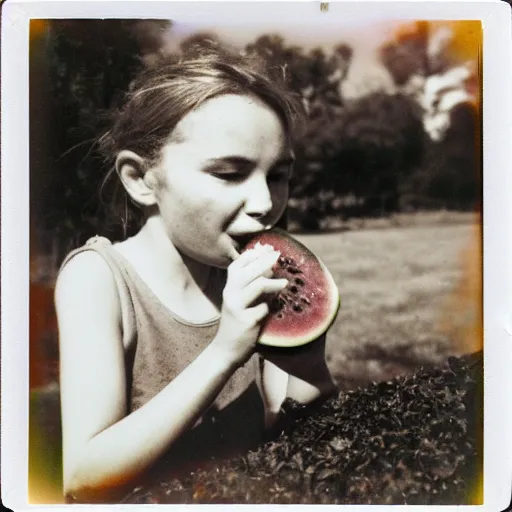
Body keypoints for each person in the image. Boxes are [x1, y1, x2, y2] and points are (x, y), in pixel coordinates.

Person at [55, 48, 337, 504]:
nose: (265, 203)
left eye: (279, 175)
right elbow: (84, 478)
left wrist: (309, 368)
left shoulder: (243, 276)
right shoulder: (99, 279)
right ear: (140, 178)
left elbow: (284, 434)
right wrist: (225, 351)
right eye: (230, 173)